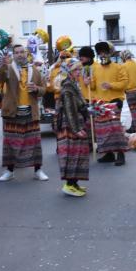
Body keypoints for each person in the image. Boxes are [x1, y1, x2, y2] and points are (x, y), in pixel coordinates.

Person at [0, 44, 48, 182]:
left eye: (22, 52)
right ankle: (9, 171)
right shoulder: (8, 68)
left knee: (35, 143)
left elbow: (44, 89)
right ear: (13, 55)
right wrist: (2, 65)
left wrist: (37, 88)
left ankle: (38, 170)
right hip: (12, 112)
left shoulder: (35, 71)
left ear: (26, 54)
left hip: (31, 113)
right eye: (17, 52)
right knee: (11, 144)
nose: (20, 54)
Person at [55, 58, 90, 197]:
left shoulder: (73, 84)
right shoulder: (68, 86)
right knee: (72, 155)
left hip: (75, 123)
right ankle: (69, 184)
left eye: (79, 69)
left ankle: (74, 183)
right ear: (69, 71)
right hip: (70, 125)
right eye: (75, 69)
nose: (78, 72)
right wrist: (76, 129)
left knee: (78, 154)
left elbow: (79, 104)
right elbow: (69, 110)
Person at [92, 41, 129, 166]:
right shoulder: (95, 68)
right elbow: (92, 86)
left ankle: (121, 154)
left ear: (109, 53)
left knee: (115, 130)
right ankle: (109, 154)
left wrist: (111, 85)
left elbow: (124, 83)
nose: (102, 54)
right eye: (100, 52)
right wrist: (88, 81)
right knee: (103, 130)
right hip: (100, 102)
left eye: (104, 52)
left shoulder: (119, 67)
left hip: (114, 101)